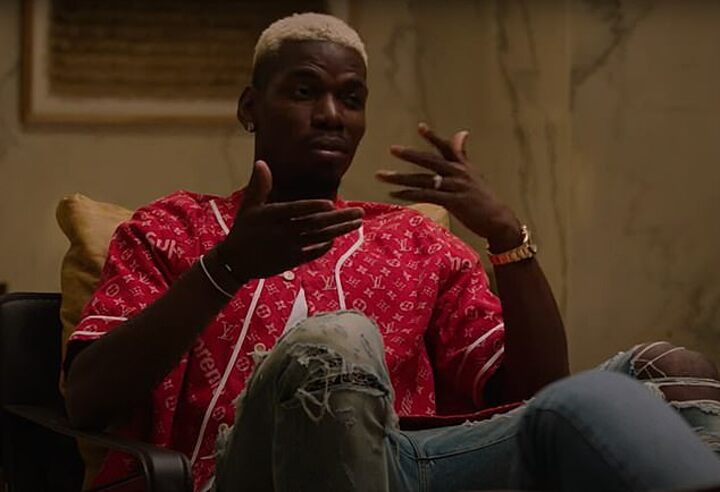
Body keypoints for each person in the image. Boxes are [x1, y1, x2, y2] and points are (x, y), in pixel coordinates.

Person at [63, 12, 720, 492]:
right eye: (304, 91)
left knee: (661, 373)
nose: (331, 114)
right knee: (337, 339)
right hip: (233, 473)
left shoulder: (416, 241)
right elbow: (88, 399)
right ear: (250, 107)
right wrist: (226, 267)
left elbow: (538, 393)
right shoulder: (172, 228)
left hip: (412, 468)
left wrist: (504, 235)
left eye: (351, 99)